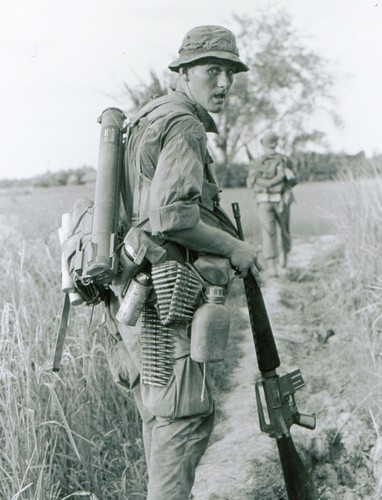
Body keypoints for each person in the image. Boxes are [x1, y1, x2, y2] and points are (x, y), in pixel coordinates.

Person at [105, 25, 262, 500]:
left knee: (160, 417)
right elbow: (172, 217)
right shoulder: (185, 125)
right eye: (212, 70)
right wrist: (235, 247)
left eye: (229, 73)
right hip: (166, 301)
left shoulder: (148, 115)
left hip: (133, 296)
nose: (223, 83)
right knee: (184, 420)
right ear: (184, 72)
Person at [246, 131, 297, 277]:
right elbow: (293, 180)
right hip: (281, 200)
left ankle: (272, 267)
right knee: (284, 231)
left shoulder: (256, 162)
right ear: (277, 143)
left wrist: (264, 183)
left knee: (268, 233)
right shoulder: (285, 160)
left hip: (263, 201)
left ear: (262, 143)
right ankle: (284, 260)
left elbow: (250, 182)